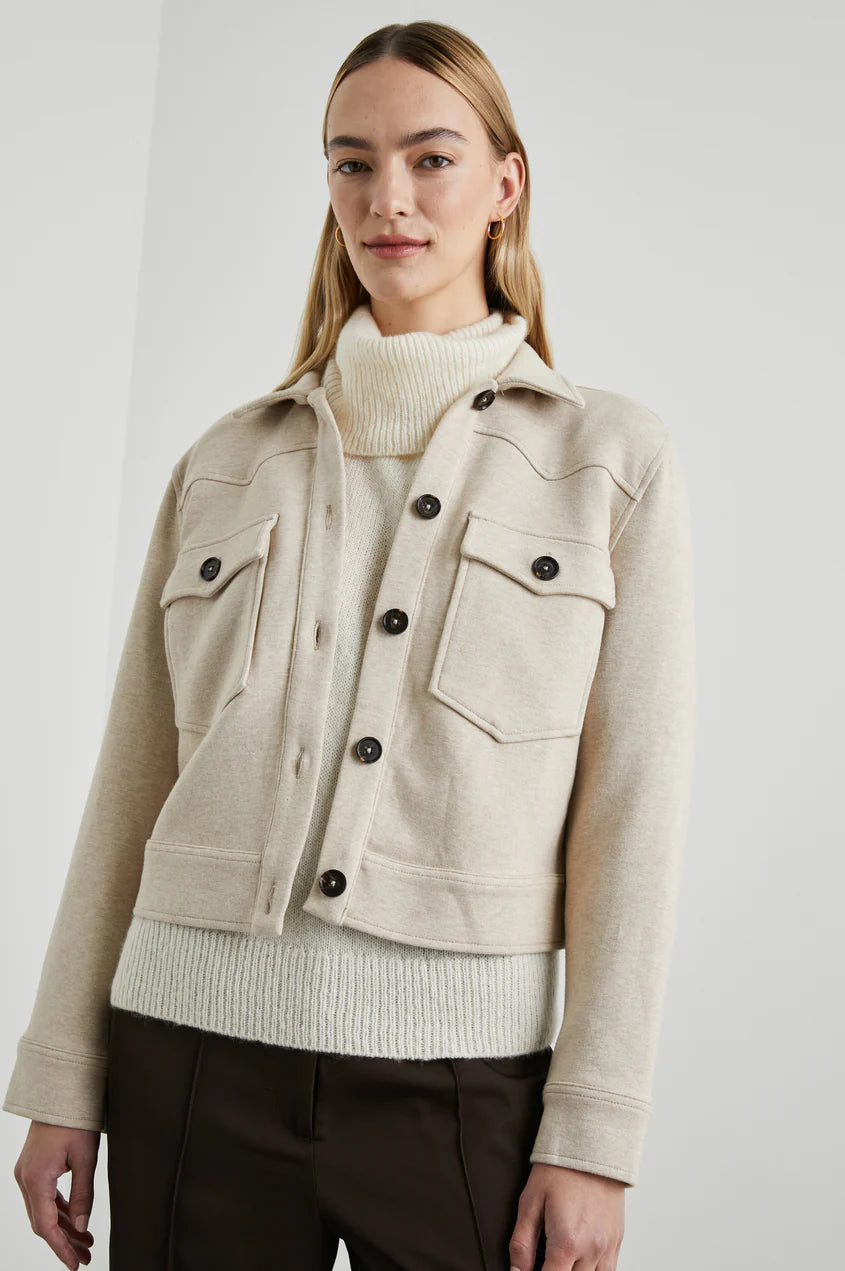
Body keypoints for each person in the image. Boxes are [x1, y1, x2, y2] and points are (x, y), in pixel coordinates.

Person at [5, 20, 696, 1271]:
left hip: (461, 1080)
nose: (389, 200)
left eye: (431, 158)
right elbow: (132, 781)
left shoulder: (608, 461)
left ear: (505, 182)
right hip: (186, 1058)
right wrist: (62, 1069)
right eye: (351, 162)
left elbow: (629, 812)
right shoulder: (225, 460)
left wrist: (594, 1131)